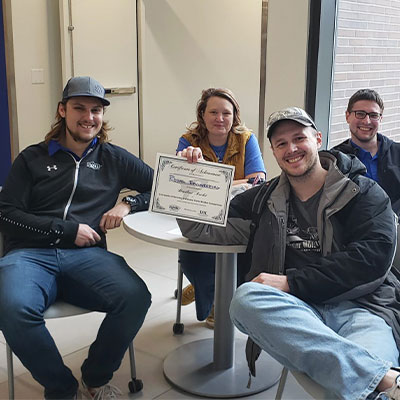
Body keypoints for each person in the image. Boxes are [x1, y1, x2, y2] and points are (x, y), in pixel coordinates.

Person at [177, 107, 400, 399]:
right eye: (281, 143)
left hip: (363, 308)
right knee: (245, 299)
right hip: (297, 312)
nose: (291, 149)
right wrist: (189, 179)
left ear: (318, 139)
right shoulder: (262, 199)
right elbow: (201, 229)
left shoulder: (362, 192)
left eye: (299, 138)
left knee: (351, 389)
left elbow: (372, 260)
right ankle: (380, 377)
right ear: (272, 151)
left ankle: (376, 379)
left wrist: (291, 282)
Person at [0, 76, 153, 399]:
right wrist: (66, 230)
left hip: (87, 257)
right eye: (79, 108)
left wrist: (129, 204)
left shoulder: (113, 157)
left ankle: (95, 379)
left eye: (96, 109)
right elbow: (6, 214)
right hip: (29, 254)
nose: (89, 117)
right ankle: (62, 388)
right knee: (11, 308)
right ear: (62, 111)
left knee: (135, 296)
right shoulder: (32, 158)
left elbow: (161, 188)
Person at [176, 87, 266, 327]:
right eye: (213, 112)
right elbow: (180, 182)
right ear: (202, 115)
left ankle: (213, 297)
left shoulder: (246, 138)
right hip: (200, 214)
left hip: (237, 214)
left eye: (226, 113)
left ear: (234, 116)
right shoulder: (189, 141)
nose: (219, 118)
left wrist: (208, 176)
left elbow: (257, 181)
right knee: (192, 254)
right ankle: (208, 290)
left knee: (241, 251)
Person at [333, 89, 400, 215]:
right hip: (355, 231)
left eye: (373, 115)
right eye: (360, 114)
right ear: (347, 116)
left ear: (380, 118)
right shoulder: (336, 160)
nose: (367, 121)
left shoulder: (397, 152)